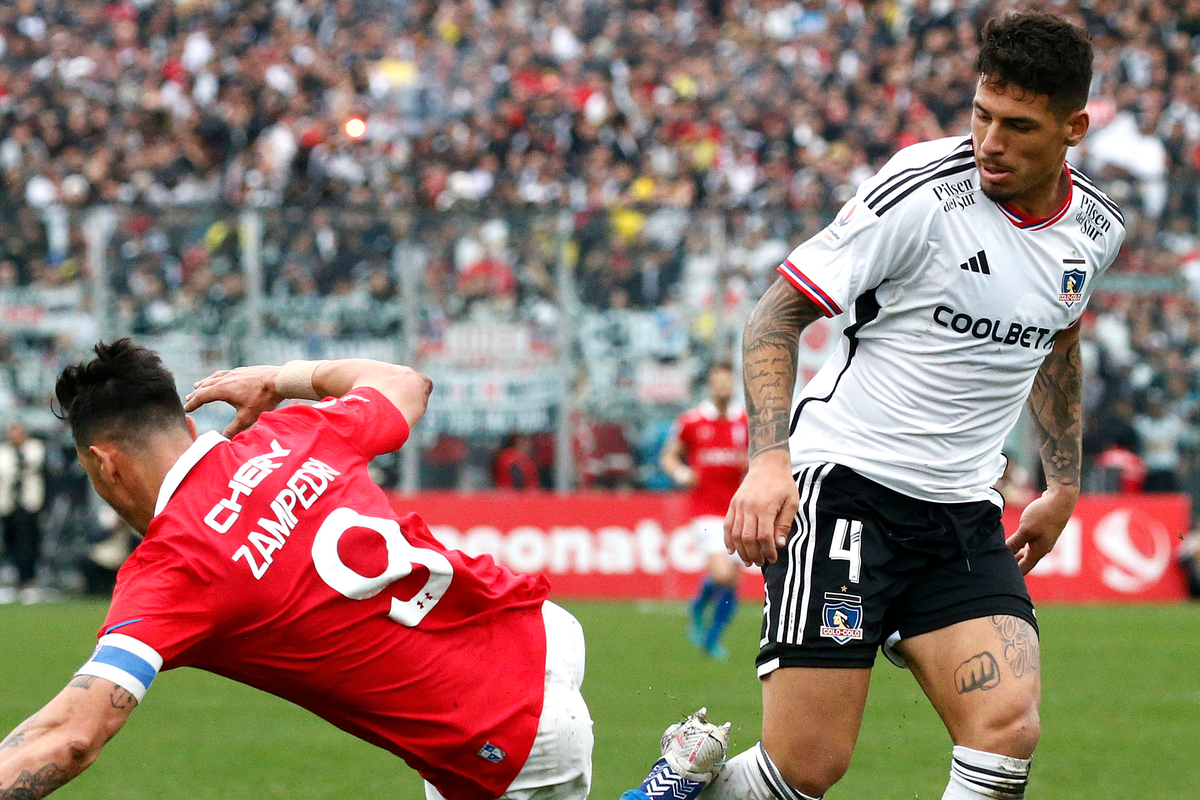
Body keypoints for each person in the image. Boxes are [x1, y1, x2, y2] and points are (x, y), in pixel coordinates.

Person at [636, 12, 1124, 800]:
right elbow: (775, 314)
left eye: (1019, 126)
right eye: (981, 115)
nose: (991, 141)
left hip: (964, 510)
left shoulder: (1096, 230)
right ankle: (677, 787)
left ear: (1075, 127)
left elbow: (1058, 347)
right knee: (806, 767)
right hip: (847, 489)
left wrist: (1063, 484)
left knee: (1007, 731)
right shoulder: (923, 193)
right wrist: (769, 460)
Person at [0, 340, 593, 800]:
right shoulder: (293, 431)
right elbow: (407, 383)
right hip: (534, 626)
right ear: (184, 426)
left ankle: (671, 779)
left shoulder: (171, 569)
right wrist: (279, 379)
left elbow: (72, 735)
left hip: (502, 728)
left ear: (104, 464)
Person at [659, 361, 748, 660]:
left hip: (737, 510)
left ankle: (712, 638)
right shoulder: (692, 421)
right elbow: (669, 456)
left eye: (727, 382)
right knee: (722, 574)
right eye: (717, 382)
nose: (722, 387)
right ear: (710, 385)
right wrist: (682, 474)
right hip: (706, 509)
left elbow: (756, 459)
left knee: (734, 581)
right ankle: (698, 607)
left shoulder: (745, 422)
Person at [0, 422, 47, 605]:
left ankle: (29, 581)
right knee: (10, 542)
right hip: (8, 505)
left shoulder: (34, 448)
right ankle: (17, 580)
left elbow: (30, 463)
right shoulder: (4, 452)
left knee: (28, 542)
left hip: (28, 504)